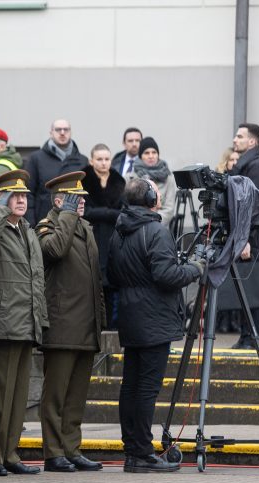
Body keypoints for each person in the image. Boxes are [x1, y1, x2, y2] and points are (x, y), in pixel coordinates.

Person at [108, 178, 203, 472]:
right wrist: (195, 268)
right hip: (153, 317)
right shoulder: (156, 230)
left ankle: (132, 449)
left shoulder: (120, 230)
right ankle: (142, 453)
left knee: (131, 385)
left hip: (130, 314)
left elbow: (112, 274)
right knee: (147, 388)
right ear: (151, 198)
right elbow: (166, 275)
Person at [0, 170, 47, 477]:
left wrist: (39, 318)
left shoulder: (27, 230)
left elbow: (35, 279)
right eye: (13, 195)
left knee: (18, 396)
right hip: (0, 323)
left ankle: (11, 453)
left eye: (24, 195)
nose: (21, 200)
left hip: (25, 322)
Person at [35, 172, 105, 473]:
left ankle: (71, 447)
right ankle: (53, 451)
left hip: (86, 323)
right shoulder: (47, 226)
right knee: (56, 395)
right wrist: (65, 215)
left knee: (76, 394)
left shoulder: (85, 227)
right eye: (77, 200)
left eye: (84, 199)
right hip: (62, 323)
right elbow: (54, 250)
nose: (82, 204)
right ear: (60, 201)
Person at [230, 123, 259, 349]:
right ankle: (245, 336)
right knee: (245, 289)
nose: (235, 139)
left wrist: (245, 239)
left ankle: (251, 337)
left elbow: (252, 207)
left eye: (239, 136)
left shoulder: (257, 167)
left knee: (252, 290)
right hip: (247, 237)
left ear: (252, 142)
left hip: (253, 239)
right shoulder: (245, 165)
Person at [82, 144, 126, 330]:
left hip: (112, 238)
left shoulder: (119, 181)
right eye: (99, 159)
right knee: (91, 283)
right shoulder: (83, 180)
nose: (103, 163)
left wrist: (102, 213)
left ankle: (111, 326)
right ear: (91, 160)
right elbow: (85, 211)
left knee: (111, 284)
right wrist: (109, 213)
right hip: (89, 236)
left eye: (106, 159)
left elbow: (122, 213)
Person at [25, 119, 89, 225]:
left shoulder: (83, 161)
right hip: (44, 223)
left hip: (74, 224)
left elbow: (87, 197)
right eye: (58, 129)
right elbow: (29, 194)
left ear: (71, 132)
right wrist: (31, 225)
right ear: (51, 133)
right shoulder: (36, 158)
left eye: (66, 129)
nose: (62, 133)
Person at [125, 137, 176, 225]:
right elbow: (126, 206)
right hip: (135, 226)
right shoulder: (130, 177)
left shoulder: (168, 177)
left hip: (159, 227)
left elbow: (169, 209)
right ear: (141, 156)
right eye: (146, 153)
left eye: (154, 152)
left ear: (158, 154)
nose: (151, 156)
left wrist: (152, 221)